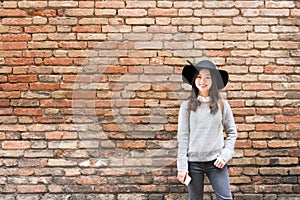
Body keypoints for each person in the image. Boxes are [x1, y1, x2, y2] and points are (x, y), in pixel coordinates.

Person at [177, 60, 237, 200]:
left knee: (225, 198)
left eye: (207, 77)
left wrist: (225, 155)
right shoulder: (186, 107)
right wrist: (182, 167)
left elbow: (232, 132)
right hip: (193, 163)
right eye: (198, 76)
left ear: (213, 80)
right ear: (193, 80)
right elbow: (183, 137)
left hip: (216, 162)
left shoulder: (222, 105)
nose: (202, 81)